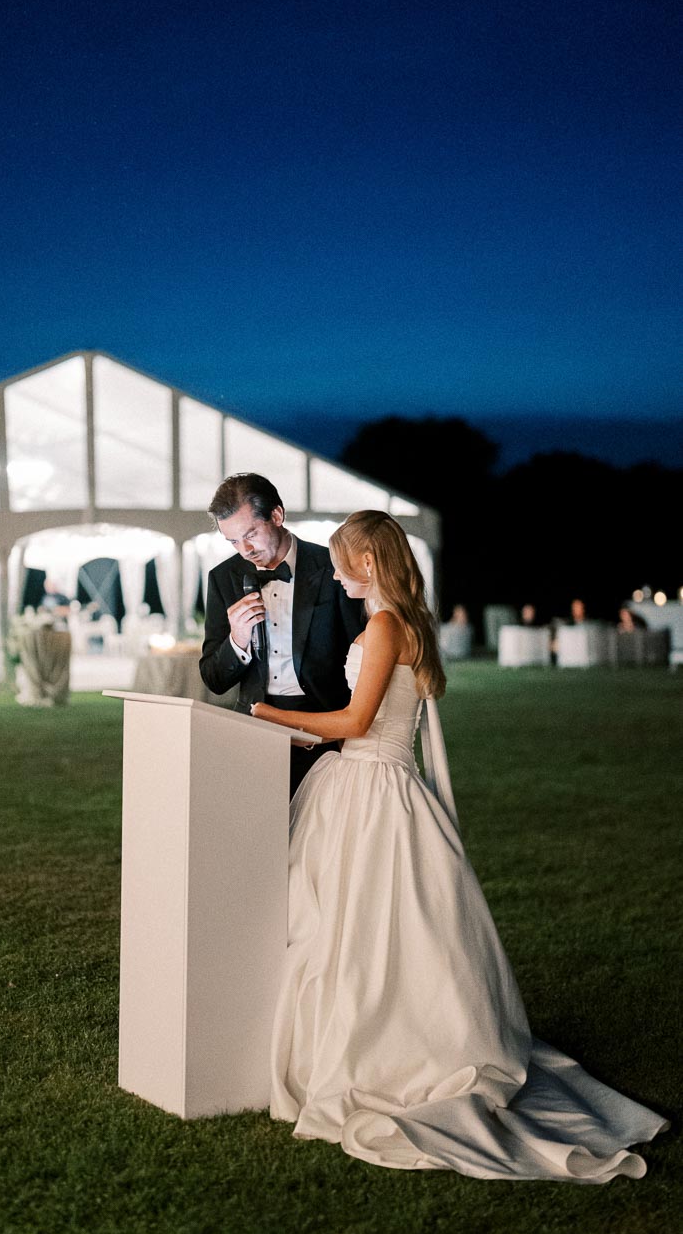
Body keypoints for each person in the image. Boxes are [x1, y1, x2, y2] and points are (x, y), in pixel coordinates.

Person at [251, 511, 666, 1181]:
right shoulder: (399, 622)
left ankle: (377, 1048)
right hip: (365, 779)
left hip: (371, 788)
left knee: (359, 928)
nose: (332, 572)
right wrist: (302, 732)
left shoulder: (386, 626)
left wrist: (273, 715)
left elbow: (357, 721)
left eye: (339, 561)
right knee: (363, 926)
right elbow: (362, 724)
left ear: (366, 561)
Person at [199, 473, 365, 794]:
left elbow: (361, 652)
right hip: (256, 732)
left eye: (250, 534)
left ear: (276, 515)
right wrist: (237, 641)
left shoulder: (333, 567)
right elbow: (213, 679)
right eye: (232, 541)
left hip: (327, 732)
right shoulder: (223, 579)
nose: (244, 550)